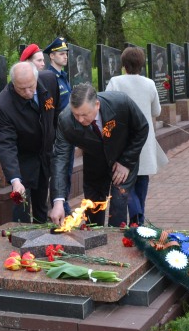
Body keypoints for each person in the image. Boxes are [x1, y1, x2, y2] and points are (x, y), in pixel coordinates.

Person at [48, 83, 149, 228]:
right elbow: (60, 158)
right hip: (94, 166)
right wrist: (58, 201)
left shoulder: (121, 102)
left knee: (118, 205)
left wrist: (126, 162)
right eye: (76, 114)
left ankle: (115, 245)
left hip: (122, 160)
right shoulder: (65, 121)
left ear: (97, 104)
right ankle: (94, 244)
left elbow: (142, 128)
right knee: (93, 211)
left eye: (84, 114)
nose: (80, 120)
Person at [0, 62, 61, 223]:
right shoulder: (3, 104)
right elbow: (5, 144)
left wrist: (56, 141)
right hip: (23, 157)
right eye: (21, 89)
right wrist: (15, 180)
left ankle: (42, 236)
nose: (28, 92)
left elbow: (56, 111)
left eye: (31, 86)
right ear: (13, 83)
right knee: (21, 205)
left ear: (36, 78)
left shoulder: (49, 80)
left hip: (45, 152)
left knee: (41, 204)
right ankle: (21, 240)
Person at [105, 47, 166, 225]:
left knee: (125, 183)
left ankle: (135, 217)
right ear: (142, 65)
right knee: (141, 182)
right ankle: (138, 218)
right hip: (144, 141)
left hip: (122, 142)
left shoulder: (115, 82)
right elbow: (157, 111)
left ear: (123, 65)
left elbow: (107, 108)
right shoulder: (149, 83)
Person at [42, 37, 72, 111]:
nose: (65, 57)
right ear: (52, 56)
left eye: (66, 54)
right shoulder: (49, 78)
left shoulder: (63, 75)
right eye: (62, 54)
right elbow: (49, 108)